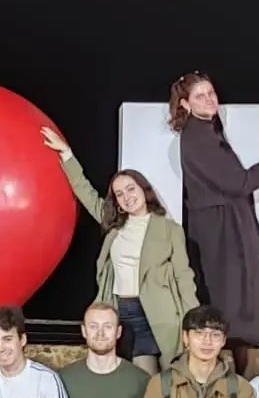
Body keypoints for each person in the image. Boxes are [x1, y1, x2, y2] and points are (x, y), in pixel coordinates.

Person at [170, 72, 259, 364]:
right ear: (185, 104)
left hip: (225, 222)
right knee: (235, 300)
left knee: (239, 299)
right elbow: (238, 182)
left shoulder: (207, 131)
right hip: (221, 229)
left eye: (211, 92)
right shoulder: (198, 136)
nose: (209, 99)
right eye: (200, 96)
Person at [42, 127, 198, 373]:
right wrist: (67, 154)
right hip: (122, 311)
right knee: (138, 380)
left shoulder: (169, 229)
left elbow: (184, 276)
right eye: (119, 194)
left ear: (144, 190)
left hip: (160, 313)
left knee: (170, 380)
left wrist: (194, 321)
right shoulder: (115, 226)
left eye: (131, 189)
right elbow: (85, 191)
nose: (126, 197)